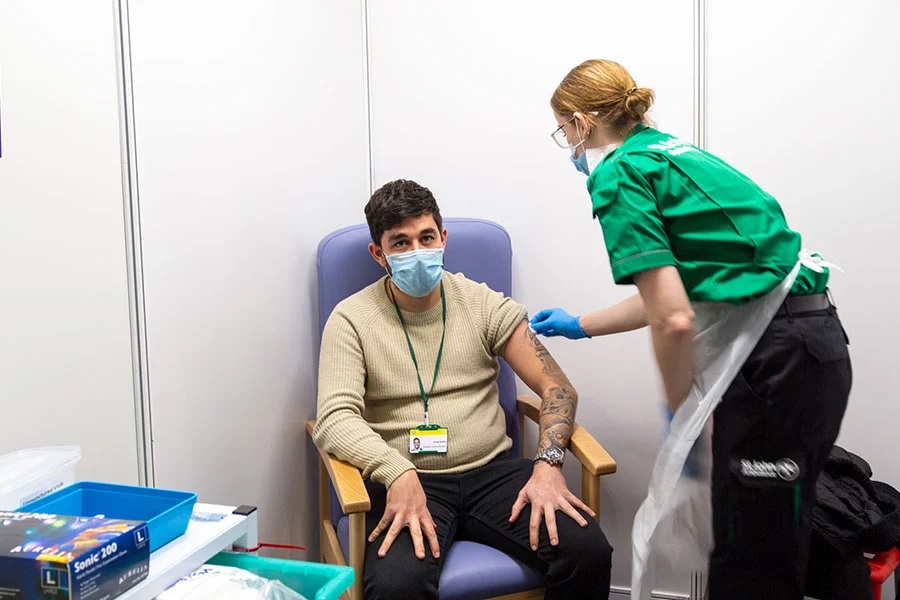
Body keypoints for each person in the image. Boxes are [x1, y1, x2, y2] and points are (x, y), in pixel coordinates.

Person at [531, 59, 851, 600]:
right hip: (814, 347)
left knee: (750, 555)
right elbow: (680, 295)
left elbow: (673, 318)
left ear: (581, 123)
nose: (568, 144)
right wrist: (580, 326)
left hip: (776, 362)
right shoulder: (672, 152)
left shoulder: (618, 175)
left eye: (563, 130)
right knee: (775, 535)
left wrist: (679, 412)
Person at [312, 179, 612, 599]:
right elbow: (334, 418)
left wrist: (548, 464)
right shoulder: (351, 320)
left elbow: (556, 387)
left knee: (587, 551)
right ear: (378, 254)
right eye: (400, 243)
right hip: (408, 480)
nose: (417, 251)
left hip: (492, 473)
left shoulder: (482, 304)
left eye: (426, 237)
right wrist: (395, 471)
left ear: (443, 238)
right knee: (399, 585)